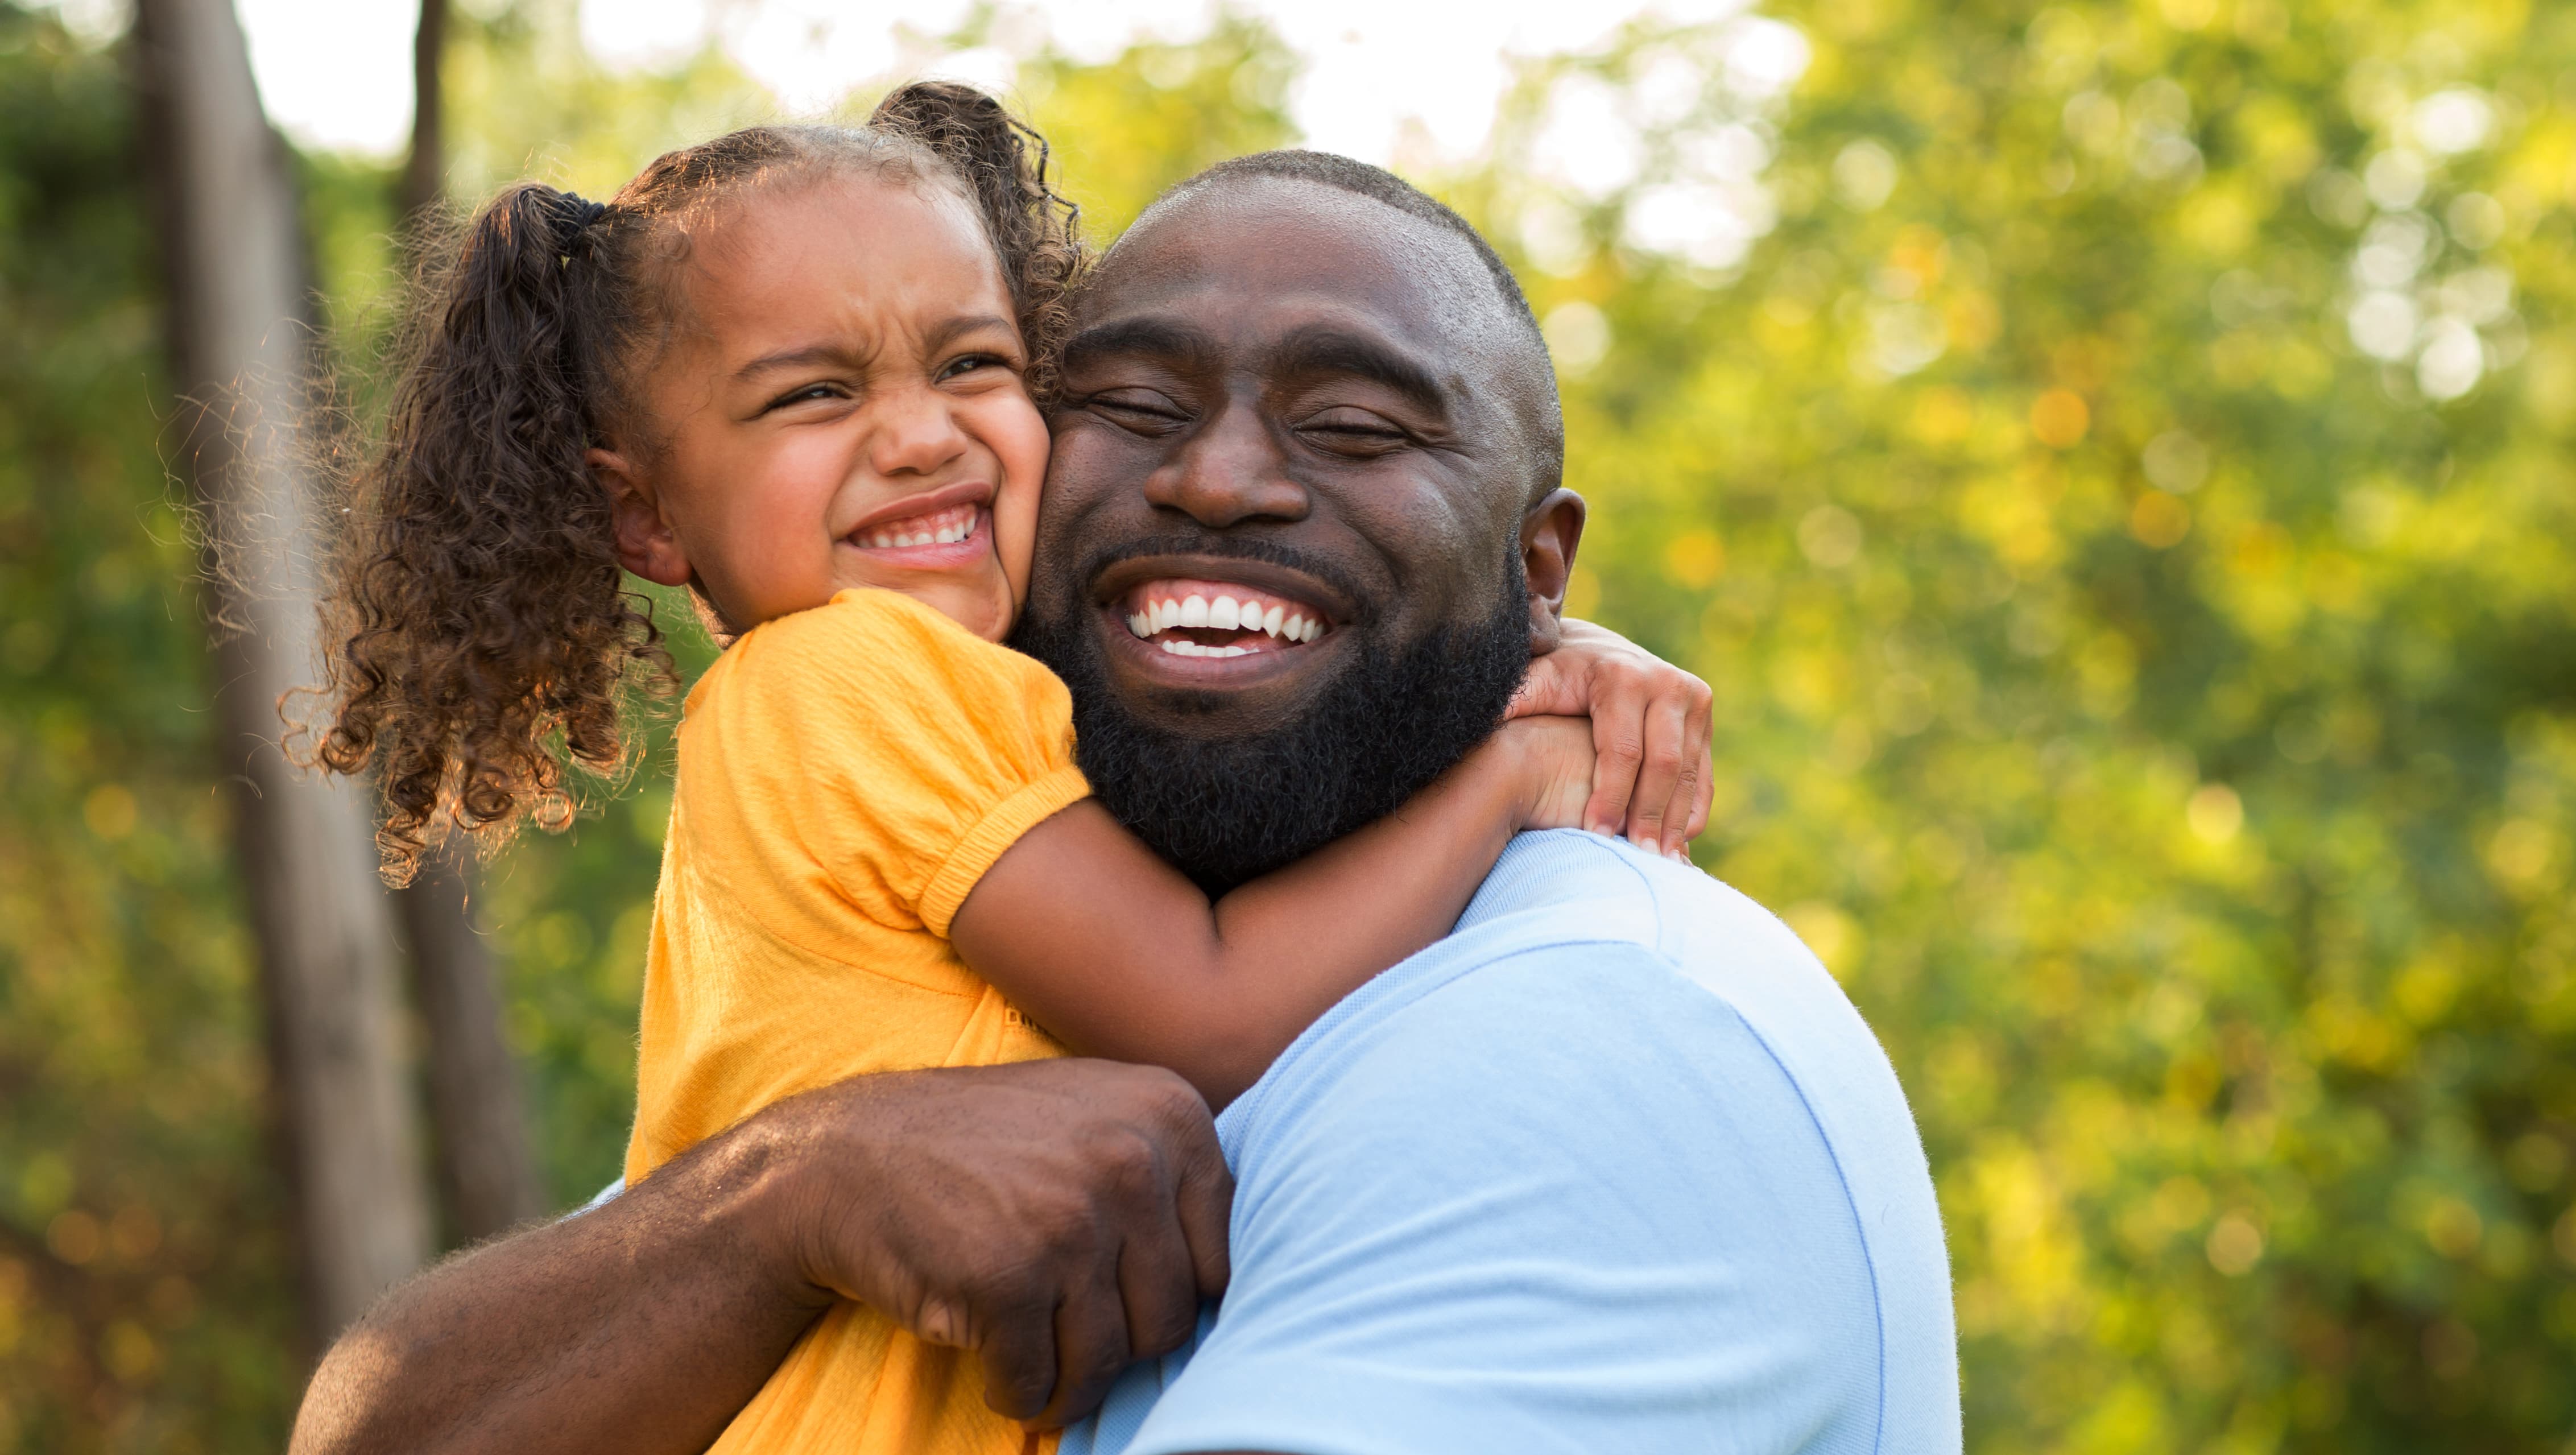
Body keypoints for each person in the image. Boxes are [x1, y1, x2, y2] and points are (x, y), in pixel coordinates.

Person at [291, 146, 1958, 1454]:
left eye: (976, 368)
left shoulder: (1591, 1039)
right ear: (647, 516)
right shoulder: (922, 885)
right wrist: (790, 1194)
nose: (1212, 479)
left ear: (1536, 568)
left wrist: (1509, 688)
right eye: (1131, 407)